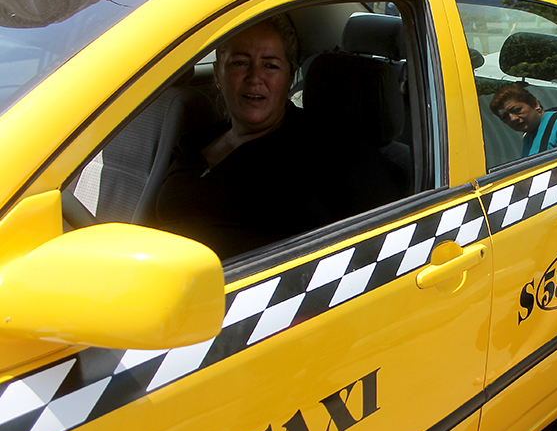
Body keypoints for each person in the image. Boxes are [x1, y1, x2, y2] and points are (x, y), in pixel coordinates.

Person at [156, 16, 404, 259]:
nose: (255, 78)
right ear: (218, 74)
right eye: (240, 63)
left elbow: (386, 241)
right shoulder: (194, 141)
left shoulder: (330, 153)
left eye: (271, 65)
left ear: (289, 78)